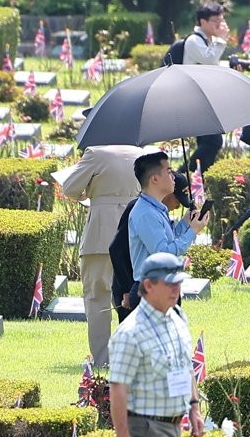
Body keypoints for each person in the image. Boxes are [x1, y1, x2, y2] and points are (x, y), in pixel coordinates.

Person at [109, 251, 205, 437]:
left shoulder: (177, 317)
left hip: (173, 426)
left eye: (179, 283)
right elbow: (118, 389)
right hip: (146, 429)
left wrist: (194, 406)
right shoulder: (130, 333)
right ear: (148, 286)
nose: (177, 289)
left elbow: (184, 365)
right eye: (170, 284)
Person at [62, 145, 143, 367]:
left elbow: (69, 188)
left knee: (97, 297)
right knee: (134, 294)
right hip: (134, 232)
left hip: (101, 233)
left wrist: (88, 191)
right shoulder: (141, 153)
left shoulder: (95, 154)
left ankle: (102, 359)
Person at [127, 153, 208, 309]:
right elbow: (163, 253)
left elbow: (170, 240)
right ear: (154, 179)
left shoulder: (156, 209)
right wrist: (192, 231)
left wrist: (187, 222)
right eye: (169, 172)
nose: (173, 177)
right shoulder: (146, 213)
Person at [110, 173, 193, 322]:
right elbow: (116, 250)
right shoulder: (140, 210)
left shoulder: (160, 212)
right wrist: (126, 290)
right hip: (130, 284)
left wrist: (188, 222)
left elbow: (171, 240)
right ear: (167, 191)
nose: (178, 205)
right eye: (177, 199)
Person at [181, 1, 231, 174]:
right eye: (215, 21)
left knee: (207, 142)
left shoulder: (208, 40)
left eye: (221, 20)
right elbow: (209, 59)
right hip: (195, 98)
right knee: (213, 141)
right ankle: (183, 177)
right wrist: (222, 41)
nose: (220, 24)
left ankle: (195, 180)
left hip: (204, 97)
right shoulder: (194, 40)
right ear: (202, 21)